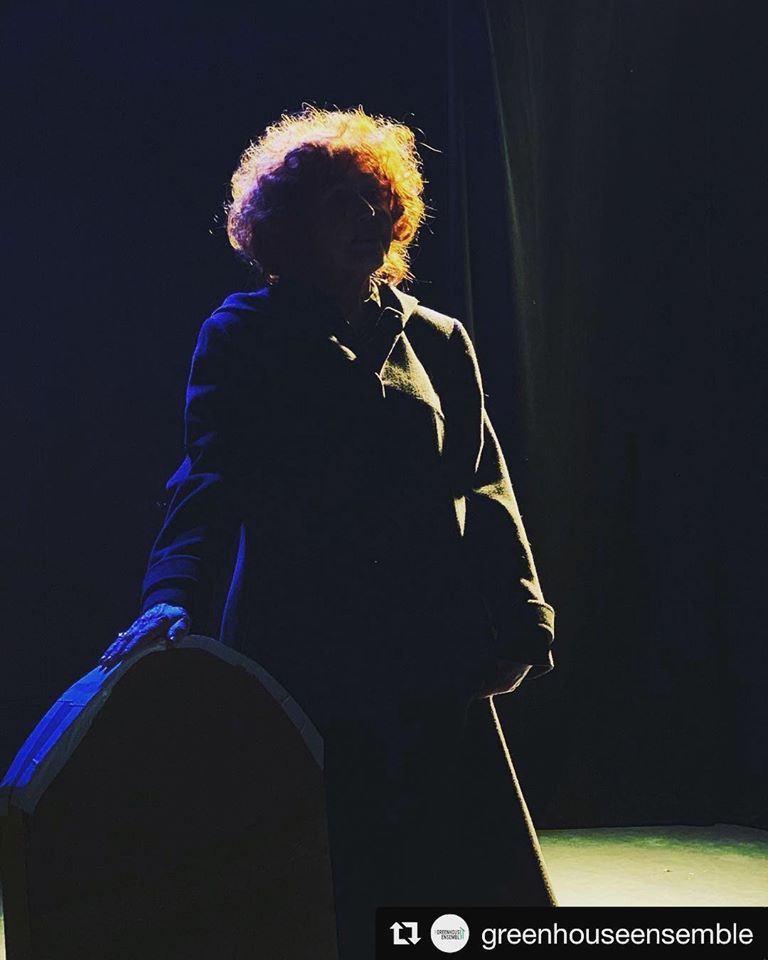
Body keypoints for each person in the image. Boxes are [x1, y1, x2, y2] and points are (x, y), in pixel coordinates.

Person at [98, 104, 557, 957]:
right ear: (287, 224)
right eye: (335, 203)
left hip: (427, 649)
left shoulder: (439, 339)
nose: (362, 219)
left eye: (372, 200)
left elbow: (485, 484)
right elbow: (207, 482)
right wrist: (168, 601)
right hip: (301, 646)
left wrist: (523, 620)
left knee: (442, 888)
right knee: (315, 883)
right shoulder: (242, 335)